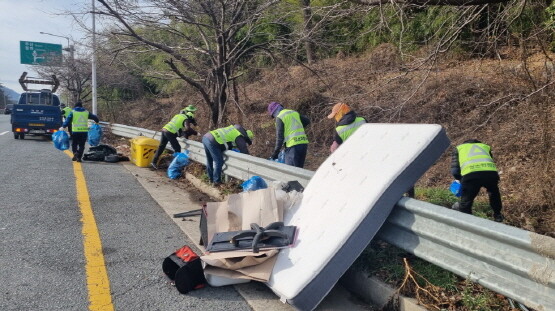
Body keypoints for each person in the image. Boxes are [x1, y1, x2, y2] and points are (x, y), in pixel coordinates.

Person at [451, 139, 503, 222]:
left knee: (466, 201)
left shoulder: (459, 148)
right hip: (490, 173)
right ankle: (498, 215)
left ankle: (469, 222)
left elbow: (455, 171)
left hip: (471, 176)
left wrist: (460, 180)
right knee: (494, 193)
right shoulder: (485, 146)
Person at [151, 105, 198, 169]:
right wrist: (196, 133)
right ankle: (173, 165)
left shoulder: (178, 115)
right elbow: (188, 128)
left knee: (161, 147)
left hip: (164, 129)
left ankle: (154, 162)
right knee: (177, 148)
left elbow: (177, 125)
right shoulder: (186, 119)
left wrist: (182, 133)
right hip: (170, 132)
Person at [267, 102, 310, 168]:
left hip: (292, 146)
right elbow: (307, 121)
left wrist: (275, 153)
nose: (274, 118)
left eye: (273, 116)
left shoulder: (280, 117)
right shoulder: (293, 112)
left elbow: (279, 138)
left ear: (274, 112)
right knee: (300, 170)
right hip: (303, 143)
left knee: (291, 172)